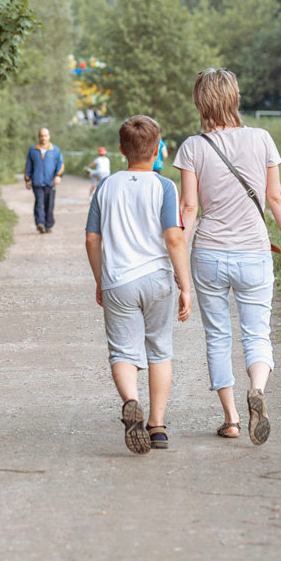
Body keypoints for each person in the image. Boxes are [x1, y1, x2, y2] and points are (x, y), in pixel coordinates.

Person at [173, 68, 281, 445]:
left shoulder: (192, 147)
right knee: (256, 333)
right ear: (235, 98)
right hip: (255, 253)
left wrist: (177, 258)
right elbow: (275, 197)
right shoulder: (261, 139)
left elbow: (189, 209)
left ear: (200, 102)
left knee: (217, 336)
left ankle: (230, 419)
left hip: (209, 254)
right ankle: (257, 389)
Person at [85, 116, 192, 454]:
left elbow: (91, 238)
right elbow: (174, 238)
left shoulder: (106, 185)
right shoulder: (164, 187)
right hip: (156, 280)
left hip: (118, 281)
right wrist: (185, 285)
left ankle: (131, 401)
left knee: (122, 352)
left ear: (121, 151)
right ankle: (157, 427)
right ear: (159, 148)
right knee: (159, 350)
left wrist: (100, 279)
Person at [24, 127, 64, 233]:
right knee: (39, 203)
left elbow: (60, 164)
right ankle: (40, 223)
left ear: (49, 136)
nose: (43, 138)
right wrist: (27, 179)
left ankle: (48, 224)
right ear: (39, 137)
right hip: (37, 182)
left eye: (45, 135)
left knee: (49, 204)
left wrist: (58, 176)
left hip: (50, 182)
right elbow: (28, 166)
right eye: (41, 135)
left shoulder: (55, 150)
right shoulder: (33, 150)